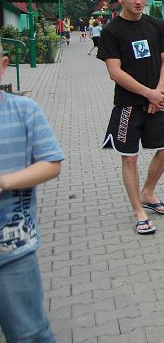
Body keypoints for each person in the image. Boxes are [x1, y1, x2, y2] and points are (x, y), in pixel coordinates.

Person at [97, 0, 164, 235]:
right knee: (130, 157)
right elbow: (115, 72)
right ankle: (138, 211)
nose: (139, 1)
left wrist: (158, 92)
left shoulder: (156, 25)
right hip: (127, 105)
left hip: (156, 99)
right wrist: (148, 94)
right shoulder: (111, 31)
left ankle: (148, 193)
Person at [0, 41, 64, 342]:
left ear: (3, 65)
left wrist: (5, 182)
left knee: (29, 333)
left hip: (13, 250)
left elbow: (51, 164)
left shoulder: (22, 111)